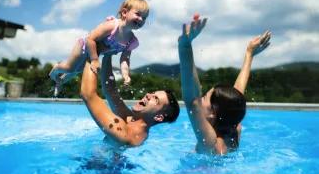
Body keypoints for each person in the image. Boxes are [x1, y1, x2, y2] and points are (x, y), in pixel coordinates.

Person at [178, 16, 271, 155]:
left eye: (204, 98)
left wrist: (184, 45)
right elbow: (235, 96)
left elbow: (192, 102)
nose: (200, 98)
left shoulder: (210, 142)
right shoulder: (234, 130)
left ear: (213, 113)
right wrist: (249, 54)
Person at [49, 0, 149, 95]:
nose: (141, 19)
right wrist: (95, 60)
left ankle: (60, 81)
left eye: (144, 18)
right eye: (138, 14)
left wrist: (126, 74)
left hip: (94, 53)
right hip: (84, 46)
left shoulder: (131, 40)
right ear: (124, 12)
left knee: (77, 70)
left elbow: (124, 59)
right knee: (70, 68)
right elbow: (90, 39)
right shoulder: (112, 26)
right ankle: (55, 69)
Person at [80, 54, 180, 148]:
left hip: (97, 166)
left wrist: (92, 56)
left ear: (158, 117)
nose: (148, 95)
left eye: (156, 99)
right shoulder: (132, 121)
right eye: (152, 93)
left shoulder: (125, 134)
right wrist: (108, 53)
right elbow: (110, 89)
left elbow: (88, 95)